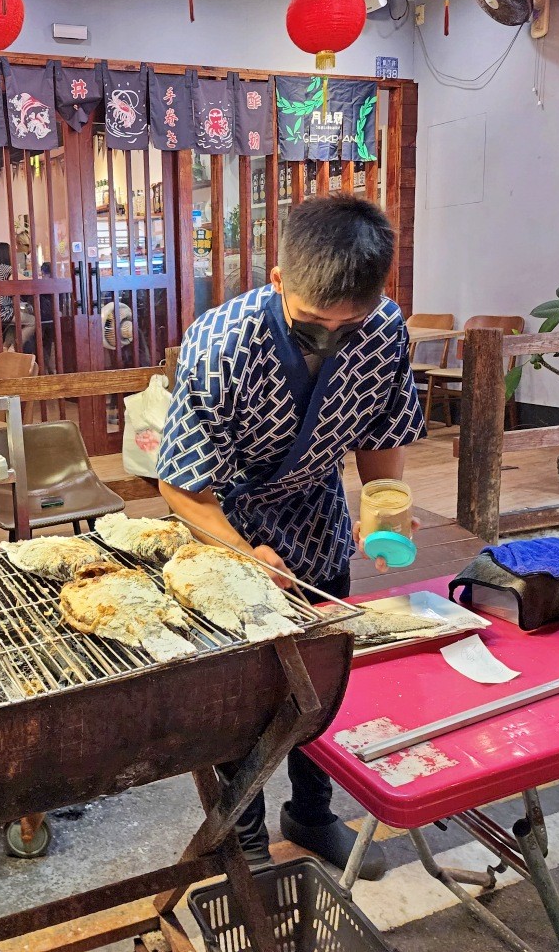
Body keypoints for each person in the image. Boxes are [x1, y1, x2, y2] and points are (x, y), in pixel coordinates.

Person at [156, 196, 425, 879]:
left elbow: (382, 436)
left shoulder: (387, 331)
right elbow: (182, 486)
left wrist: (382, 507)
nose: (331, 339)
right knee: (240, 697)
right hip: (226, 525)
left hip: (316, 517)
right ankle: (241, 835)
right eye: (311, 326)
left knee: (322, 680)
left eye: (349, 325)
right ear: (277, 279)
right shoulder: (221, 342)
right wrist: (244, 556)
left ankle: (311, 812)